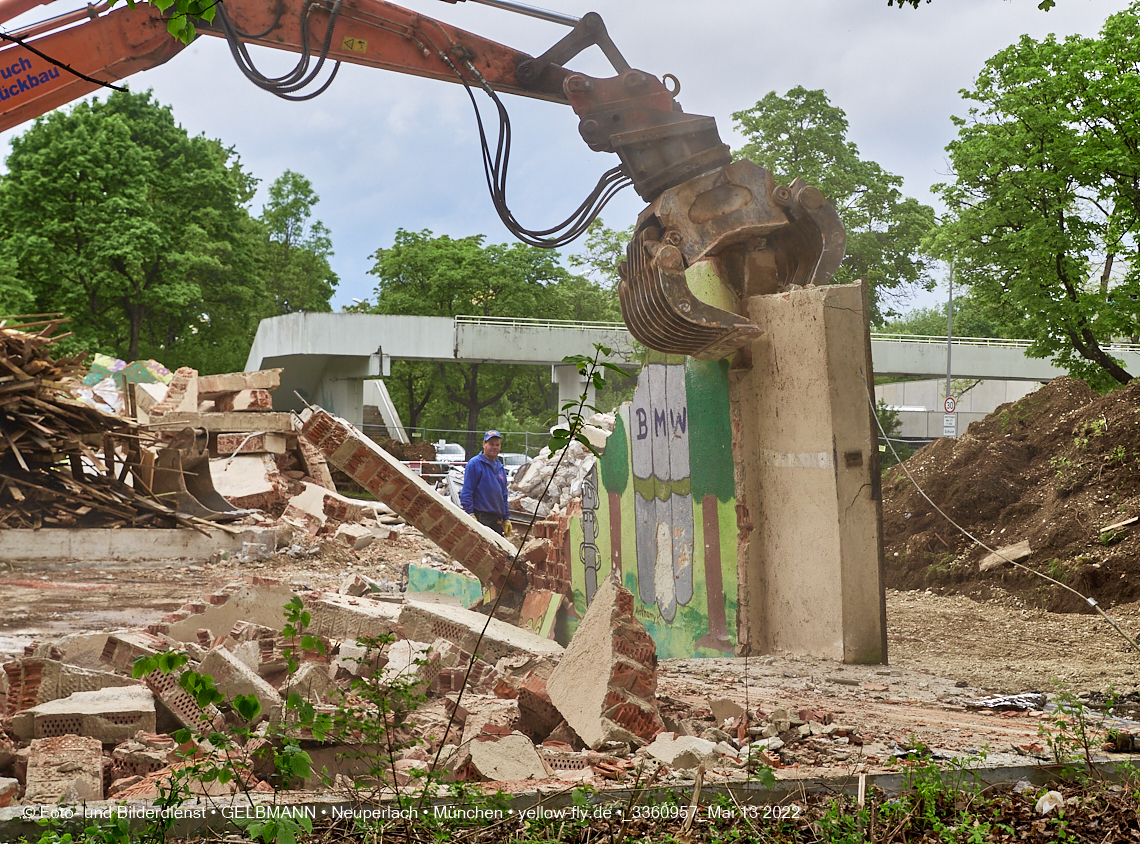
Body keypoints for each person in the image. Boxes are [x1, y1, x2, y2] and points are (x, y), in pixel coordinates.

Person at [460, 430, 509, 535]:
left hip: (496, 519)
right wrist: (470, 514)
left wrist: (506, 518)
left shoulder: (500, 468)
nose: (494, 447)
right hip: (481, 517)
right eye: (491, 444)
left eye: (497, 445)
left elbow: (504, 495)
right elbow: (467, 491)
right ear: (484, 444)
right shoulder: (475, 464)